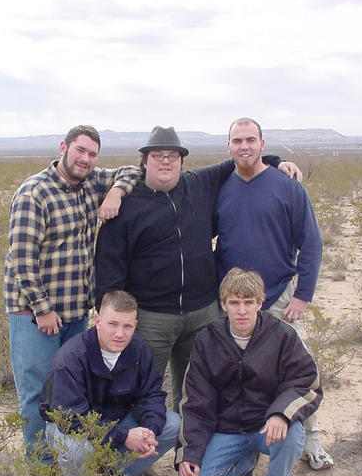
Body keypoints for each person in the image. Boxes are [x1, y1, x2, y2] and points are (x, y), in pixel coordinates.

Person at [95, 126, 300, 411]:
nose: (166, 161)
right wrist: (112, 317)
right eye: (158, 155)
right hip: (152, 317)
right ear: (144, 161)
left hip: (203, 313)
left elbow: (241, 158)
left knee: (197, 393)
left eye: (173, 155)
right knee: (139, 389)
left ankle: (187, 452)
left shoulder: (198, 184)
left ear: (181, 161)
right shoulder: (124, 205)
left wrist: (276, 162)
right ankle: (137, 449)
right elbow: (108, 269)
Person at [4, 125, 141, 464]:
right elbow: (22, 259)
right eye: (80, 150)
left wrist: (116, 192)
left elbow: (132, 171)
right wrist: (42, 309)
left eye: (93, 154)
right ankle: (43, 466)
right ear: (63, 147)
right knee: (38, 391)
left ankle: (69, 459)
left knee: (71, 392)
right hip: (35, 315)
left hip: (75, 315)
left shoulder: (92, 183)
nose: (86, 159)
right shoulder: (34, 193)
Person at [213, 117, 333, 471]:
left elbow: (311, 245)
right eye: (237, 141)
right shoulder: (221, 187)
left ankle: (312, 443)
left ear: (263, 144)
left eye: (251, 140)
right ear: (229, 146)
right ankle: (242, 444)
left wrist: (302, 296)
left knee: (298, 370)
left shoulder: (288, 187)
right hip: (234, 301)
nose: (244, 146)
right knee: (236, 374)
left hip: (280, 295)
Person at [175, 268, 322, 476]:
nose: (241, 310)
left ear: (260, 303)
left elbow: (307, 383)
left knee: (293, 432)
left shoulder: (282, 335)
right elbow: (195, 402)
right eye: (234, 303)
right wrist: (190, 452)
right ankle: (244, 464)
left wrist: (281, 414)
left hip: (265, 427)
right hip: (226, 429)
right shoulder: (207, 340)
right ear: (223, 304)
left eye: (248, 302)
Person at [38, 290, 181, 476]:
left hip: (116, 421)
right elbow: (71, 420)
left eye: (127, 326)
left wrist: (149, 431)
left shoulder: (140, 351)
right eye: (112, 324)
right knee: (78, 451)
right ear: (97, 321)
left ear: (135, 327)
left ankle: (116, 473)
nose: (120, 334)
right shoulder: (71, 358)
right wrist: (124, 437)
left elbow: (151, 395)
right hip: (69, 428)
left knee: (172, 424)